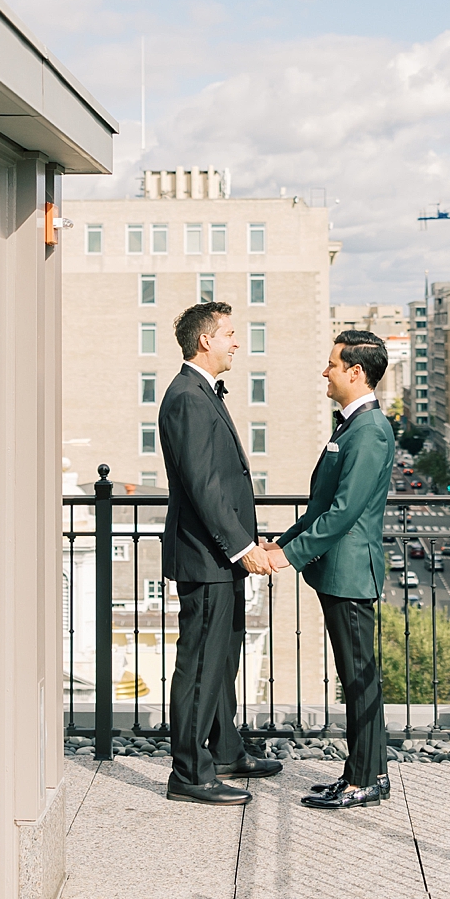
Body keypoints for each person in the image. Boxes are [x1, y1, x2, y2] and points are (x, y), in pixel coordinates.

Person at [157, 301, 283, 805]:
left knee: (223, 657)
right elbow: (205, 485)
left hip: (220, 556)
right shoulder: (187, 396)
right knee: (201, 663)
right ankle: (188, 773)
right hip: (205, 556)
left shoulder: (202, 392)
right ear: (205, 340)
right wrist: (244, 547)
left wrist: (247, 544)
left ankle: (226, 750)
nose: (236, 342)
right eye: (230, 333)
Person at [261, 330, 393, 809]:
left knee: (358, 678)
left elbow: (342, 512)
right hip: (339, 571)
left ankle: (364, 780)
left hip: (351, 573)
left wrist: (286, 557)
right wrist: (284, 541)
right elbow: (322, 507)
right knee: (357, 675)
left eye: (333, 364)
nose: (326, 372)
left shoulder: (370, 430)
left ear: (355, 372)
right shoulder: (352, 425)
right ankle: (367, 773)